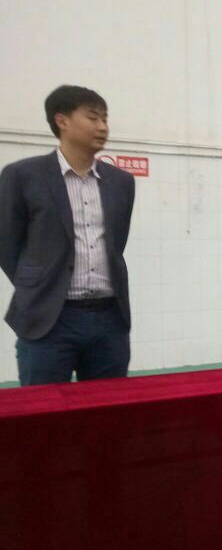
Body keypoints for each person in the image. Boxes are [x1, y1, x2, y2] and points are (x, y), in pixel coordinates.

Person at [0, 85, 136, 386]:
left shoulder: (121, 182)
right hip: (48, 319)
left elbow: (117, 242)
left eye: (105, 119)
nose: (103, 127)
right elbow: (7, 245)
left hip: (109, 319)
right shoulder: (22, 176)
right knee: (44, 409)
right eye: (93, 117)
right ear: (62, 120)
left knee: (108, 407)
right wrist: (37, 286)